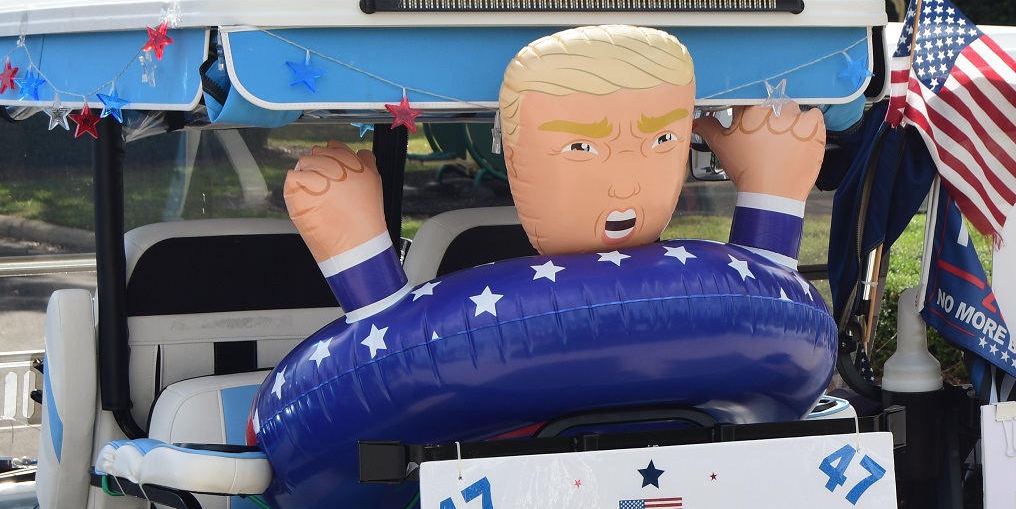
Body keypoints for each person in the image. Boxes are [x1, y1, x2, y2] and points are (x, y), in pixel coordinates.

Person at [283, 24, 826, 316]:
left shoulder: (719, 296)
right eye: (583, 149)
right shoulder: (714, 295)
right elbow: (391, 372)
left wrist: (361, 258)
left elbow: (774, 322)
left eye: (663, 139)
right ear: (515, 157)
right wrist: (771, 194)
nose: (624, 184)